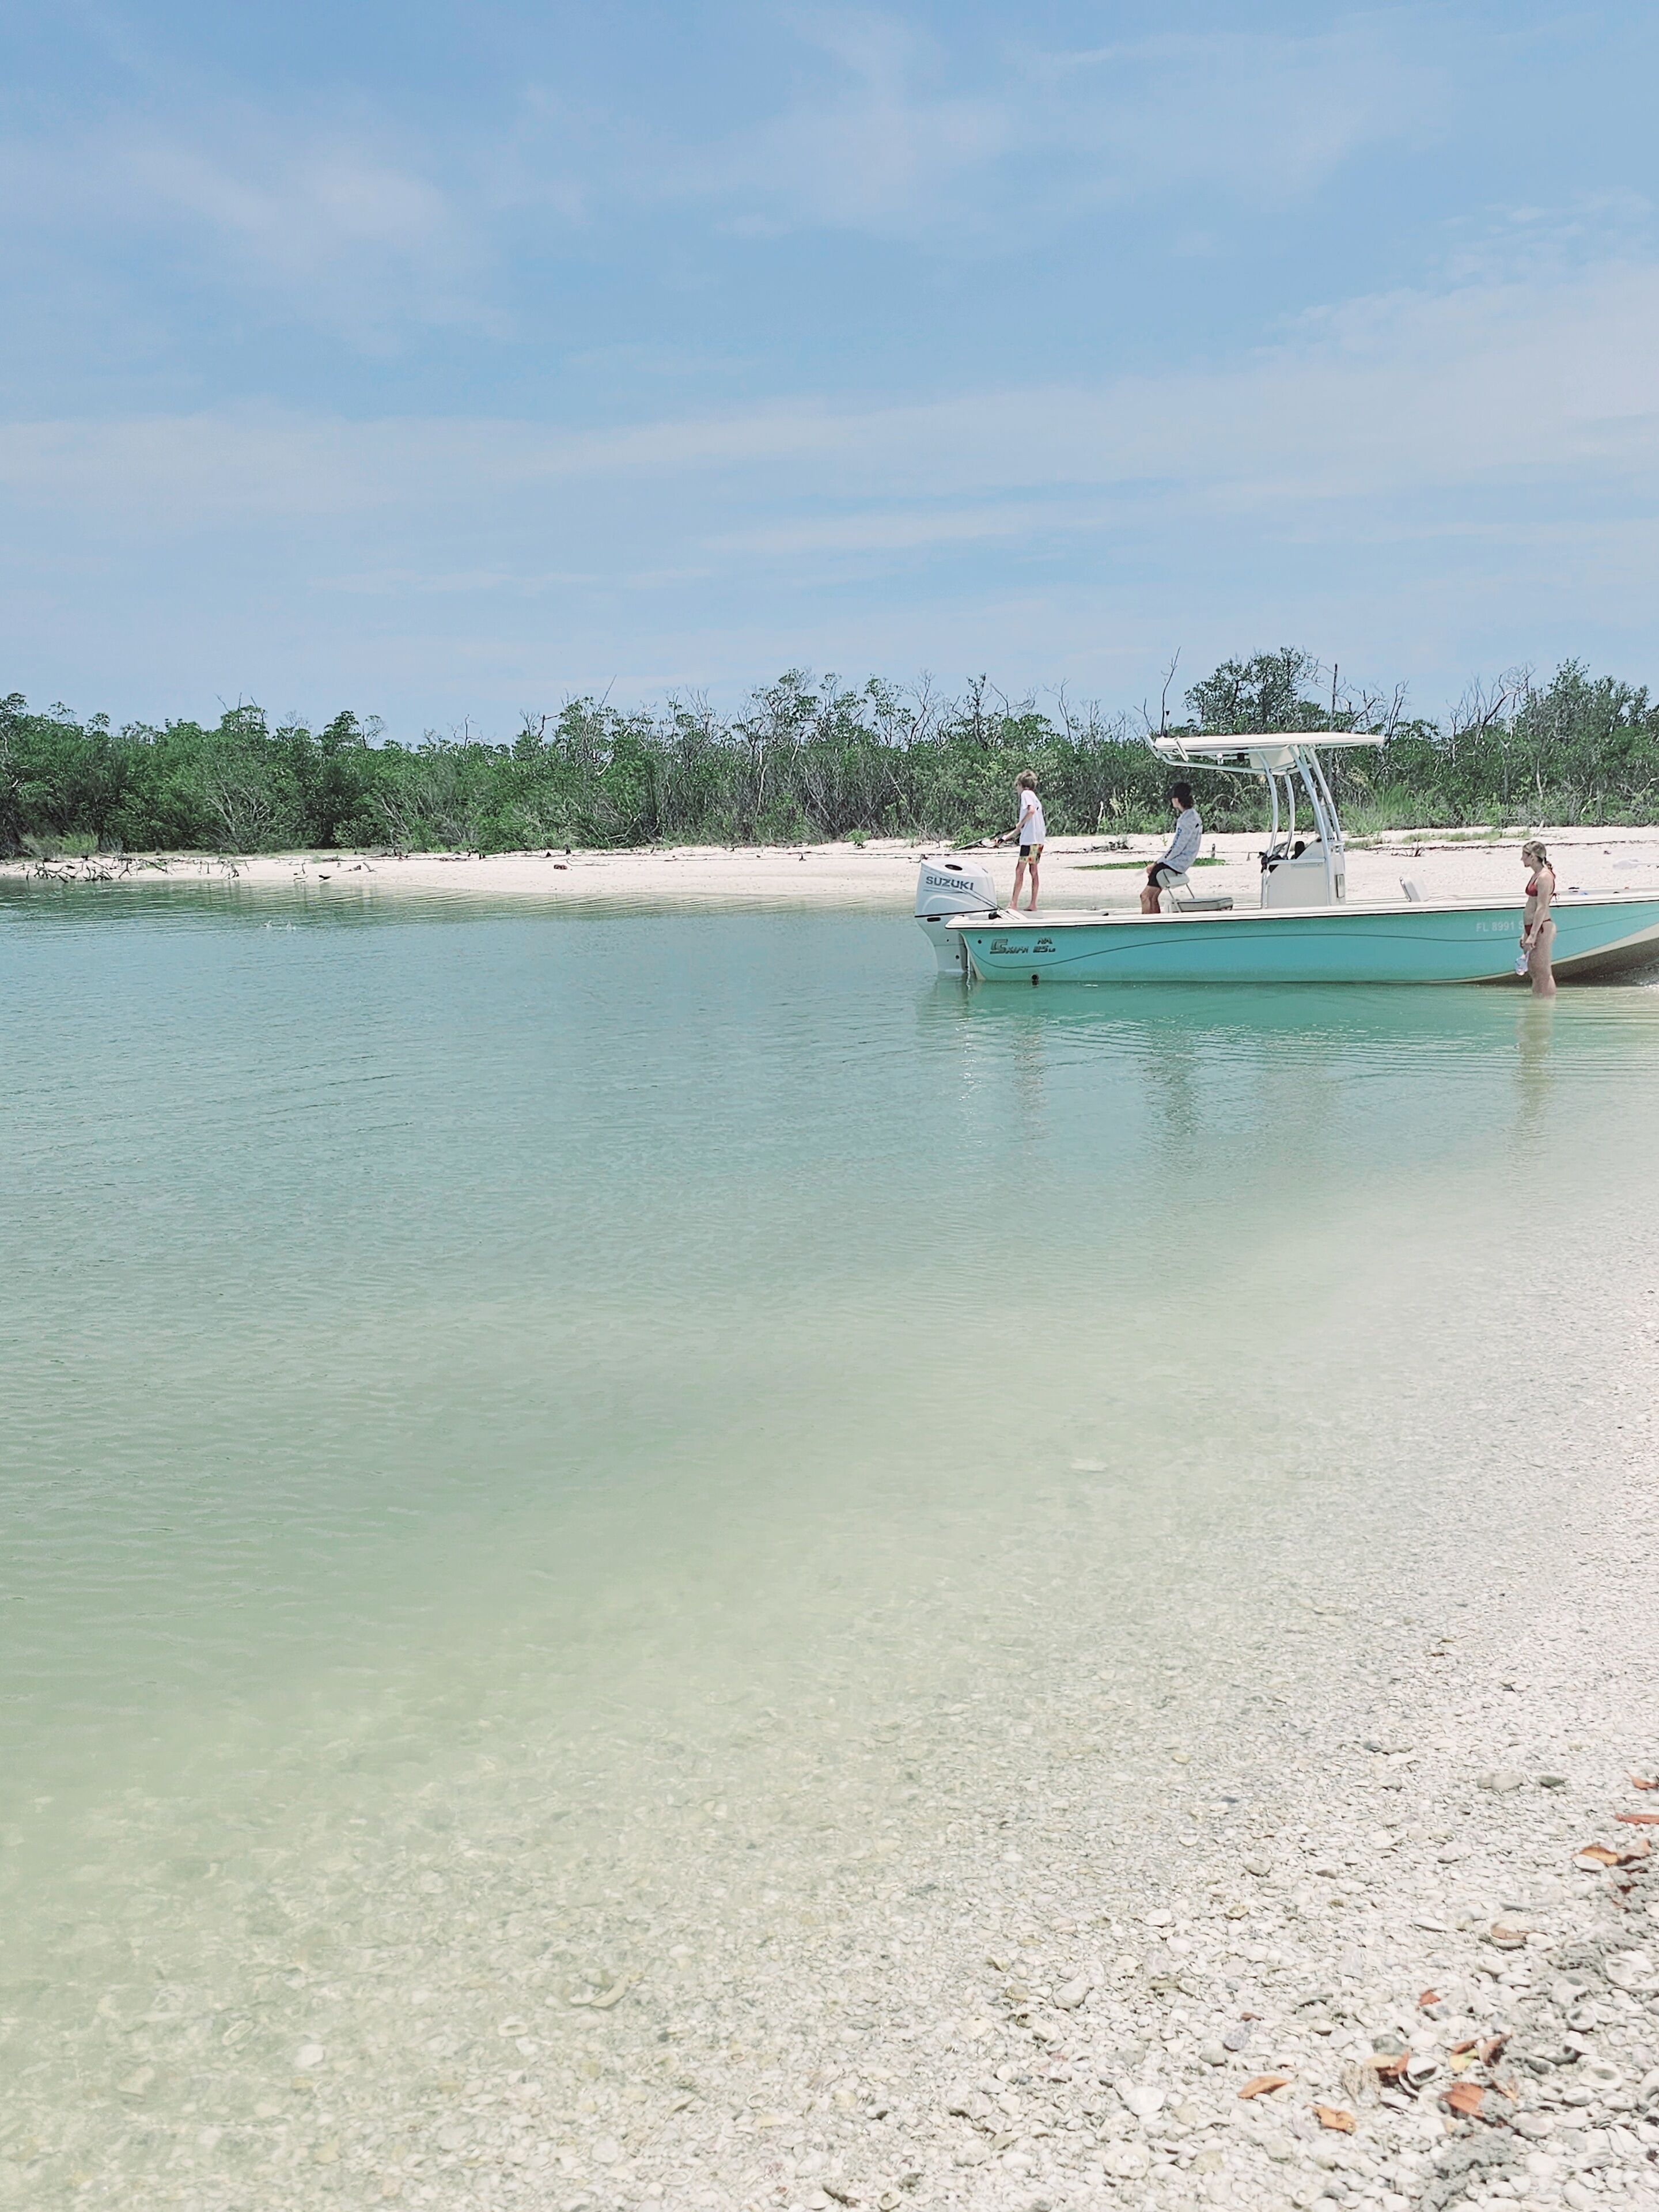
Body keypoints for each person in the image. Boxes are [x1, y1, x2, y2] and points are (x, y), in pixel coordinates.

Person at [1141, 782, 1203, 914]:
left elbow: (1176, 848)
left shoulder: (1186, 820)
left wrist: (1157, 863)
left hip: (1175, 864)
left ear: (1177, 799)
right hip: (1183, 863)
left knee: (1145, 896)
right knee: (1153, 897)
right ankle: (1155, 926)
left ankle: (1147, 929)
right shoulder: (1194, 816)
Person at [995, 771, 1046, 912]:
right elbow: (1022, 827)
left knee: (1020, 870)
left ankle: (1013, 904)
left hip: (1029, 840)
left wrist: (1020, 824)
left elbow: (1030, 812)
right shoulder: (1035, 797)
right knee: (1034, 870)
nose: (1016, 790)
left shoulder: (1026, 794)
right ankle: (1033, 905)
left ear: (1021, 785)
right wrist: (1005, 838)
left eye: (1016, 786)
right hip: (1038, 838)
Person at [1520, 838, 1556, 998]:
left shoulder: (1544, 877)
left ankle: (1547, 1005)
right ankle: (1536, 1002)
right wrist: (1525, 934)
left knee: (1543, 971)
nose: (1522, 859)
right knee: (1533, 970)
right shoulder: (1535, 875)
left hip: (1541, 928)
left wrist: (1533, 935)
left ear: (1533, 857)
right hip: (1531, 927)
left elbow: (1542, 907)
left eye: (1524, 856)